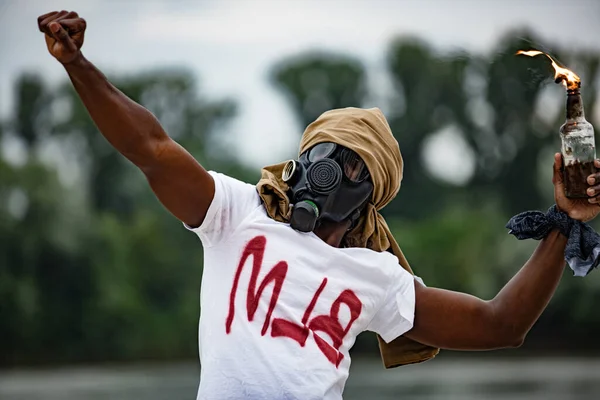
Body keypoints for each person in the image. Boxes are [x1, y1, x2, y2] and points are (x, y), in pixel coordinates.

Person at [37, 10, 600, 400]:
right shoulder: (236, 213)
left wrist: (564, 224)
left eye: (351, 166)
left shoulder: (376, 275)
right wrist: (77, 65)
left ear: (369, 198)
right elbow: (152, 149)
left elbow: (501, 324)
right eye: (321, 155)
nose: (327, 173)